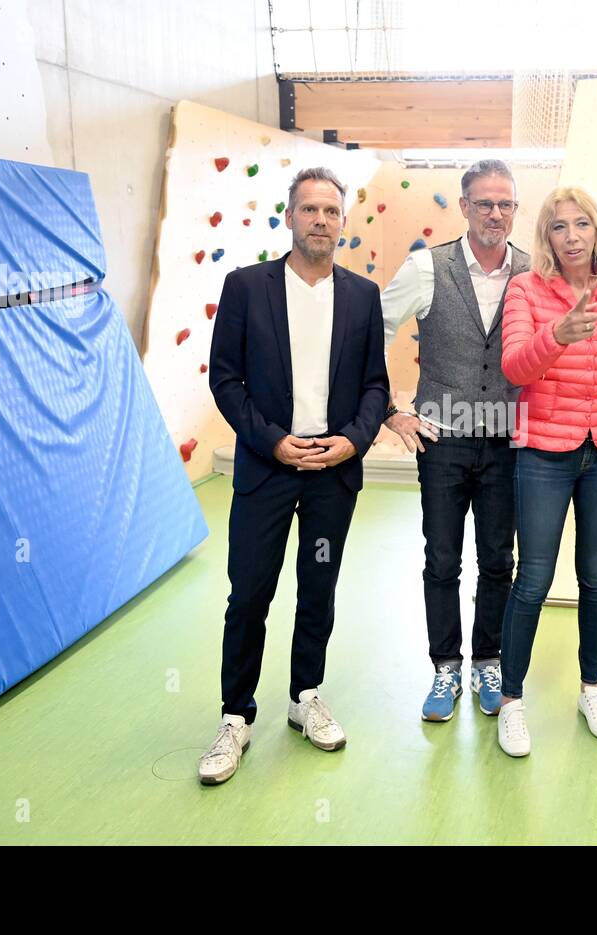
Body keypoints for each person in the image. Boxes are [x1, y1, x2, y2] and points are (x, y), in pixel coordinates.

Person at [198, 167, 389, 784]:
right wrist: (273, 442)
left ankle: (305, 696)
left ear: (343, 222)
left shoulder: (361, 295)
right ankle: (235, 716)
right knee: (250, 591)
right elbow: (225, 378)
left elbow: (374, 385)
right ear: (290, 217)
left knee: (319, 586)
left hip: (332, 472)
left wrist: (352, 442)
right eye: (310, 210)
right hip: (267, 468)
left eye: (331, 212)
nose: (321, 221)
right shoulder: (247, 287)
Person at [495, 186, 597, 758]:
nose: (571, 236)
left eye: (582, 224)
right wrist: (557, 334)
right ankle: (511, 702)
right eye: (559, 227)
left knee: (596, 577)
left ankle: (591, 687)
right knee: (533, 578)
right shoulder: (525, 290)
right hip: (542, 453)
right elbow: (514, 367)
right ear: (546, 237)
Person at [380, 160, 531, 723]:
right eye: (485, 203)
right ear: (464, 206)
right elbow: (373, 328)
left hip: (508, 442)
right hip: (440, 439)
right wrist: (392, 409)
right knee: (442, 559)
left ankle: (486, 659)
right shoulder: (427, 267)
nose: (496, 213)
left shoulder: (534, 272)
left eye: (506, 204)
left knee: (498, 560)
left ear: (516, 209)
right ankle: (445, 666)